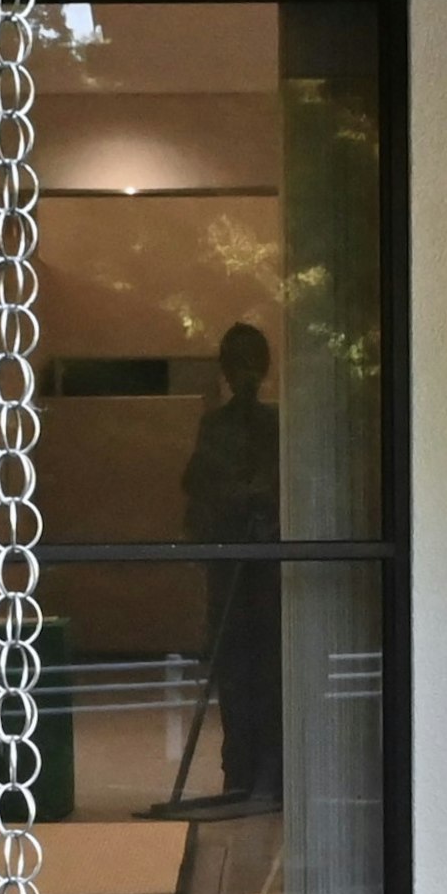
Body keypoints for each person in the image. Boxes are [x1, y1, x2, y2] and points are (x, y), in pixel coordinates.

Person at [181, 321, 284, 803]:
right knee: (236, 667)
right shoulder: (216, 427)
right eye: (236, 365)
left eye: (249, 365)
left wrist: (262, 510)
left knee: (269, 665)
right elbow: (198, 486)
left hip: (268, 566)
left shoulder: (276, 426)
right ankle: (241, 767)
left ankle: (267, 769)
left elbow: (284, 487)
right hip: (229, 562)